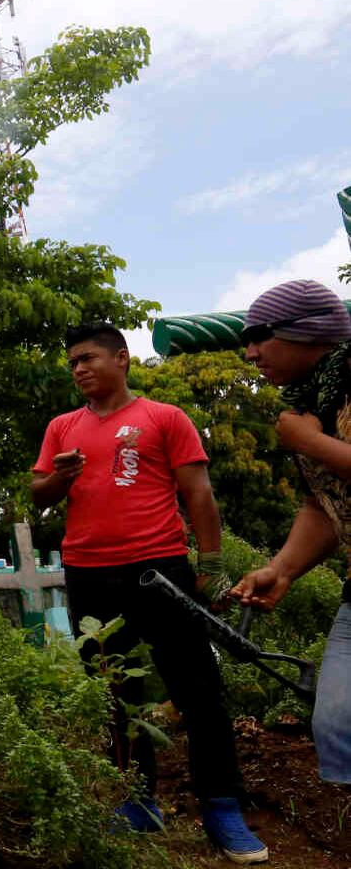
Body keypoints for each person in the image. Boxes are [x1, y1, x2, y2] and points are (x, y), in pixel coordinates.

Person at [32, 322, 265, 863]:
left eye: (88, 358)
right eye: (72, 363)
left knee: (198, 689)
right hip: (88, 571)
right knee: (114, 693)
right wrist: (61, 478)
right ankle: (137, 802)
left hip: (159, 570)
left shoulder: (164, 418)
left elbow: (198, 494)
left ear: (122, 359)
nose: (79, 369)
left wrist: (209, 564)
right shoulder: (62, 427)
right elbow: (39, 494)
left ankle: (223, 807)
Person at [231, 280, 351, 789]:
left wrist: (313, 443)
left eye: (262, 335)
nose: (251, 351)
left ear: (310, 332)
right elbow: (322, 506)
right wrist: (282, 570)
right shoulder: (308, 403)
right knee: (338, 726)